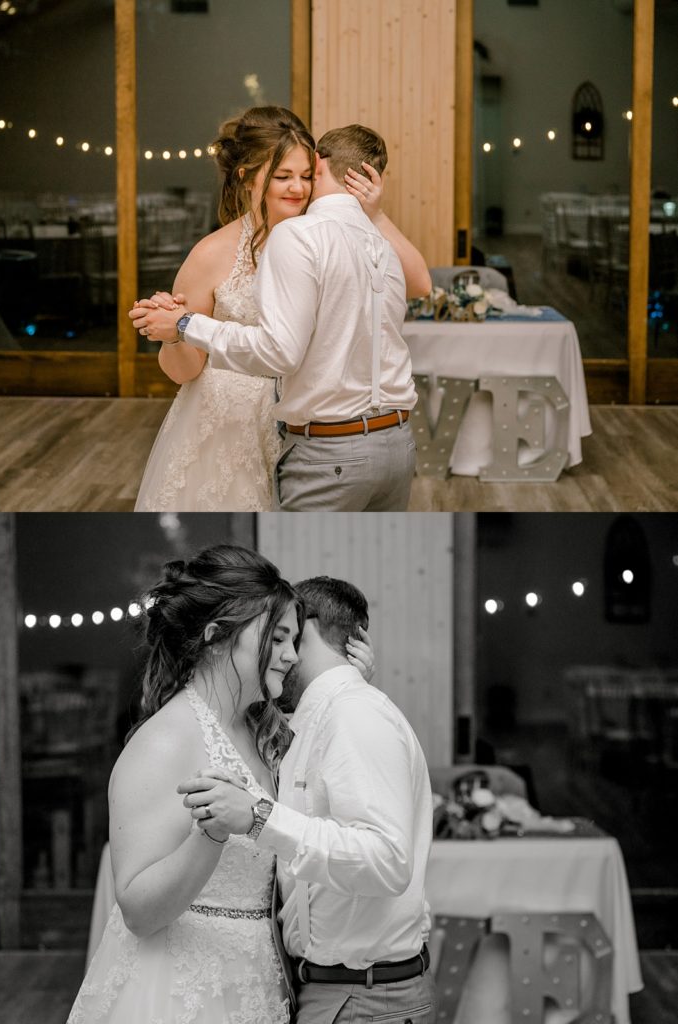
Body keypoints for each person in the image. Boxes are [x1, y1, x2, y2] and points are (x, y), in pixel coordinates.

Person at [66, 545, 375, 1024]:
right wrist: (209, 835)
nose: (291, 656)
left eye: (295, 640)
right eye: (276, 638)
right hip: (180, 993)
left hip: (257, 980)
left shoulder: (261, 729)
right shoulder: (164, 742)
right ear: (215, 637)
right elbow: (138, 911)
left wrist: (350, 685)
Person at [131, 110, 431, 512]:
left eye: (307, 176)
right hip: (229, 426)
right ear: (247, 176)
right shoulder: (210, 254)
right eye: (283, 175)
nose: (297, 188)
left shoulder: (327, 232)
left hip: (311, 430)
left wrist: (372, 213)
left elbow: (418, 284)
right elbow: (184, 372)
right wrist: (173, 333)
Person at [178, 575, 436, 1024]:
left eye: (284, 635)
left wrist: (259, 818)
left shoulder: (353, 715)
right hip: (338, 994)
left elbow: (388, 858)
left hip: (365, 1001)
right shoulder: (321, 716)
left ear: (307, 627)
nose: (280, 655)